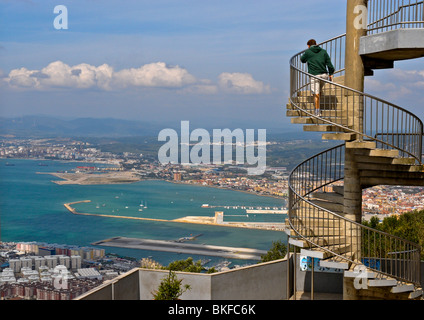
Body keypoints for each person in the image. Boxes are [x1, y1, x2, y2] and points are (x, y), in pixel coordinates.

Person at [300, 39, 335, 117]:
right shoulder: (323, 51)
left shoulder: (308, 52)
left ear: (308, 46)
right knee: (318, 91)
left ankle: (317, 111)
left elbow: (302, 60)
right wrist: (331, 73)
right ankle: (318, 104)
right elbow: (329, 63)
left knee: (316, 94)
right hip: (324, 76)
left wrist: (307, 53)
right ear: (316, 44)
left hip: (314, 75)